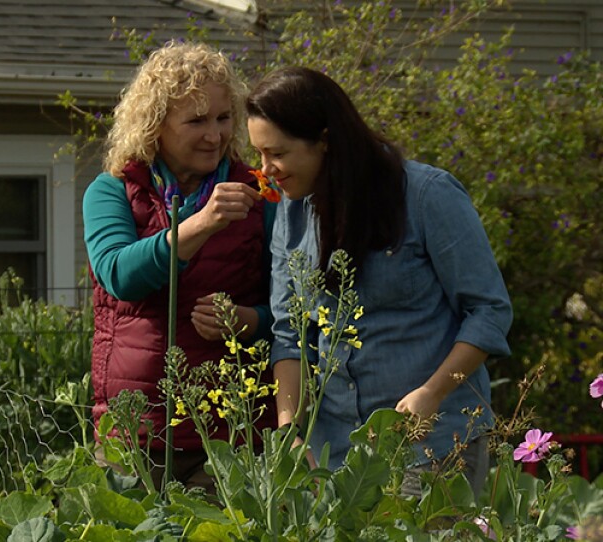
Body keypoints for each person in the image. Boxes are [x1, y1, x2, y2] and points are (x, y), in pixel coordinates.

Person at [245, 66, 513, 497]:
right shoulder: (291, 216)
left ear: (326, 141)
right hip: (337, 457)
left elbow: (488, 311)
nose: (266, 169)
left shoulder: (428, 195)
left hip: (434, 446)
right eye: (259, 154)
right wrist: (290, 431)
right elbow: (288, 334)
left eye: (276, 153)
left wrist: (433, 392)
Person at [83, 41, 277, 491]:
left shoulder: (259, 194)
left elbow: (297, 310)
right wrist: (203, 222)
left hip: (232, 437)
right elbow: (119, 276)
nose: (215, 135)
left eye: (224, 117)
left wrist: (248, 321)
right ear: (155, 126)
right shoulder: (111, 191)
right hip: (135, 434)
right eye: (196, 121)